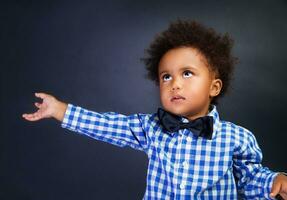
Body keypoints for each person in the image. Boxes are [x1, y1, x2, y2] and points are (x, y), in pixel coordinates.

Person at [22, 20, 287, 199]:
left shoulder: (237, 138)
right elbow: (107, 126)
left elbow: (250, 179)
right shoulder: (151, 128)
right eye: (166, 77)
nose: (174, 84)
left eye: (187, 73)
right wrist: (59, 109)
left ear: (214, 87)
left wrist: (273, 182)